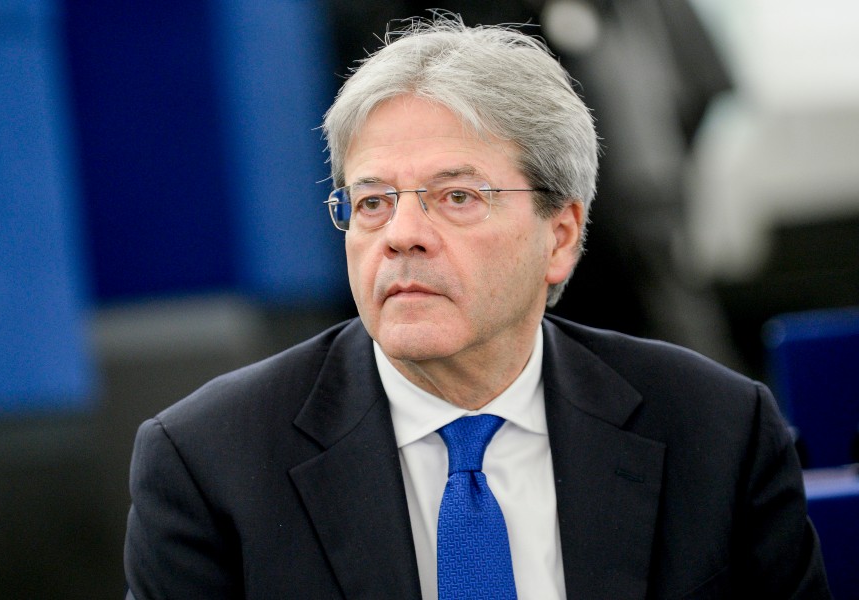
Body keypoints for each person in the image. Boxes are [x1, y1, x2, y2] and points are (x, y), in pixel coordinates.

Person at [124, 16, 830, 599]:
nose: (401, 234)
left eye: (456, 196)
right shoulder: (211, 463)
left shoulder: (717, 430)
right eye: (372, 202)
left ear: (561, 236)